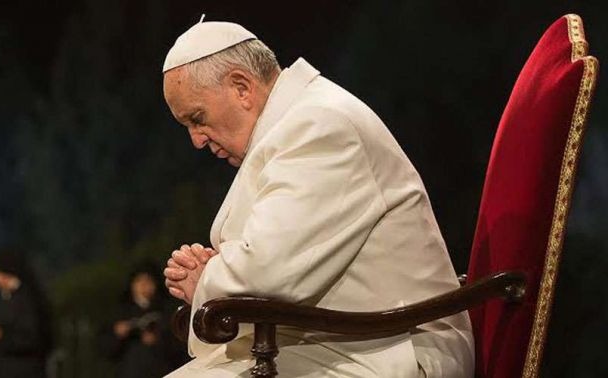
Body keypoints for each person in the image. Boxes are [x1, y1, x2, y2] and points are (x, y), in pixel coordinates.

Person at [162, 20, 474, 377]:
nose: (196, 141)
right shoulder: (296, 122)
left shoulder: (319, 124)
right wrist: (224, 266)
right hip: (336, 337)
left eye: (197, 119)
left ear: (241, 87)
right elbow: (271, 258)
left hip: (395, 348)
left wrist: (206, 279)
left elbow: (269, 271)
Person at [0, 246, 53, 378]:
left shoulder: (26, 299)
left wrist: (1, 336)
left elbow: (31, 337)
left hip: (24, 370)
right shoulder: (10, 297)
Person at [103, 263, 170, 378]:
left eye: (148, 281)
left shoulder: (165, 310)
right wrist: (118, 334)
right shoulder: (119, 312)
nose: (143, 285)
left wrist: (157, 339)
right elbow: (105, 350)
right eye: (139, 281)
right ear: (132, 285)